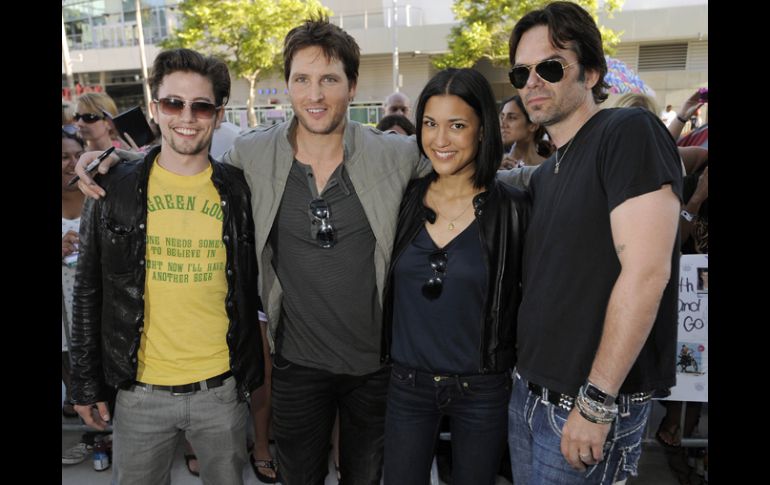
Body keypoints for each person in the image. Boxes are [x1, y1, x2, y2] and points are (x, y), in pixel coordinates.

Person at [74, 18, 432, 484]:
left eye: (329, 79)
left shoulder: (393, 155)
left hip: (368, 367)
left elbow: (459, 168)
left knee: (362, 475)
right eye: (302, 79)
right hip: (290, 367)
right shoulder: (253, 156)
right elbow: (176, 163)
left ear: (352, 86)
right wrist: (111, 159)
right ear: (287, 86)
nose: (315, 94)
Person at [505, 2, 682, 484]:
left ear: (592, 71)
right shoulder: (547, 175)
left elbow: (648, 273)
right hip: (529, 398)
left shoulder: (627, 132)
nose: (532, 83)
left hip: (585, 408)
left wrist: (597, 401)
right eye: (521, 73)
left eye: (549, 66)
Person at [69, 48, 264, 485]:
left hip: (221, 391)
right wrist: (84, 382)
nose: (186, 117)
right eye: (174, 103)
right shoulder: (110, 186)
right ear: (155, 109)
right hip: (138, 393)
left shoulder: (238, 190)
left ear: (217, 113)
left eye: (201, 105)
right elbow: (87, 289)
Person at [382, 67, 530, 485]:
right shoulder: (403, 199)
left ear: (483, 130)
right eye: (430, 123)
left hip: (483, 388)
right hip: (407, 384)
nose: (440, 139)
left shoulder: (514, 209)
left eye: (457, 125)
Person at [499, 94, 553, 169]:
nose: (502, 124)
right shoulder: (494, 166)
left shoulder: (550, 168)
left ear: (533, 125)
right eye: (502, 117)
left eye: (511, 118)